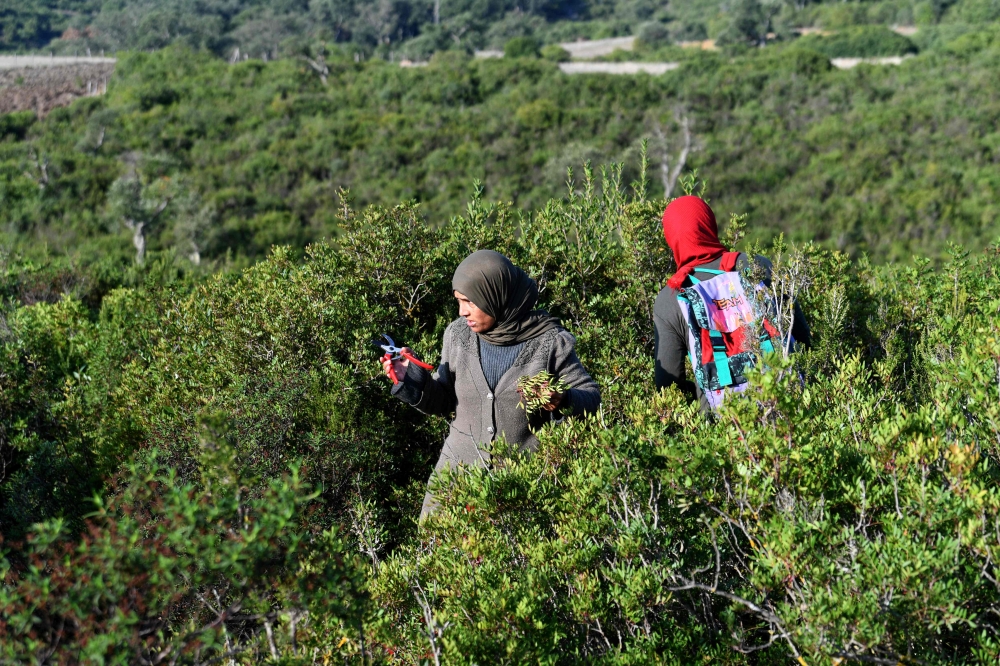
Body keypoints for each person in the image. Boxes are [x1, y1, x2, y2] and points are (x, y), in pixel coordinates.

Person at [384, 249, 601, 517]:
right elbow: (444, 401)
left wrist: (563, 399)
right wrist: (413, 380)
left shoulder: (549, 342)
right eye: (458, 301)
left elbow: (591, 398)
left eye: (470, 302)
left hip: (521, 494)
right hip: (453, 488)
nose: (462, 311)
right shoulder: (458, 336)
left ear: (495, 296)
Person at [653, 196, 811, 411]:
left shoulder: (670, 298)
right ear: (710, 224)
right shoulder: (756, 265)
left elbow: (667, 385)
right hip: (789, 400)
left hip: (723, 424)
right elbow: (801, 336)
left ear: (671, 237)